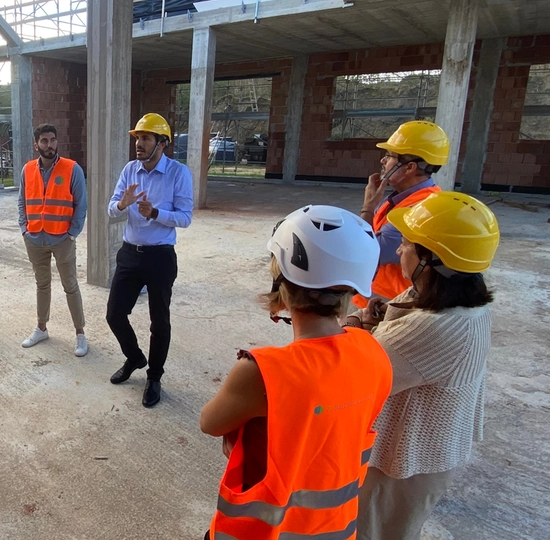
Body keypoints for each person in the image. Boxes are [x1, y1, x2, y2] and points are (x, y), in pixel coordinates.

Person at [200, 205, 392, 540]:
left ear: (282, 283)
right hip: (335, 531)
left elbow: (210, 423)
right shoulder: (373, 353)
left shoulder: (263, 372)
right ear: (351, 289)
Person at [347, 192, 499, 540]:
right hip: (418, 454)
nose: (400, 251)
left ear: (430, 259)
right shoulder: (445, 299)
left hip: (403, 463)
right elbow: (398, 322)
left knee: (372, 532)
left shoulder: (436, 326)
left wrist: (351, 324)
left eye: (407, 245)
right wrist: (377, 317)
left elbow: (355, 373)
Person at [106, 113, 193, 408]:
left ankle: (154, 376)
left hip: (160, 258)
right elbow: (110, 210)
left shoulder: (179, 173)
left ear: (162, 143)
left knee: (160, 322)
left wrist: (156, 213)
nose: (139, 144)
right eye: (137, 138)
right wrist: (123, 204)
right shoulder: (130, 170)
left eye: (145, 138)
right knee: (115, 314)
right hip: (130, 253)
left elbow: (185, 218)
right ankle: (134, 357)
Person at [355, 120, 448, 308]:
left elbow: (362, 254)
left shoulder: (417, 210)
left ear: (410, 168)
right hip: (374, 303)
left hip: (386, 307)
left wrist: (368, 207)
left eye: (390, 156)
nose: (383, 161)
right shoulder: (406, 199)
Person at [18, 123, 89, 356]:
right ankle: (41, 328)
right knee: (42, 285)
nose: (49, 145)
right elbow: (22, 201)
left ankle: (80, 334)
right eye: (44, 141)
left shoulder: (72, 169)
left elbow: (81, 204)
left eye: (53, 140)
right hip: (35, 238)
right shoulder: (27, 170)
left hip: (62, 239)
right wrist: (24, 229)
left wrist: (72, 234)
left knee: (70, 286)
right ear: (36, 144)